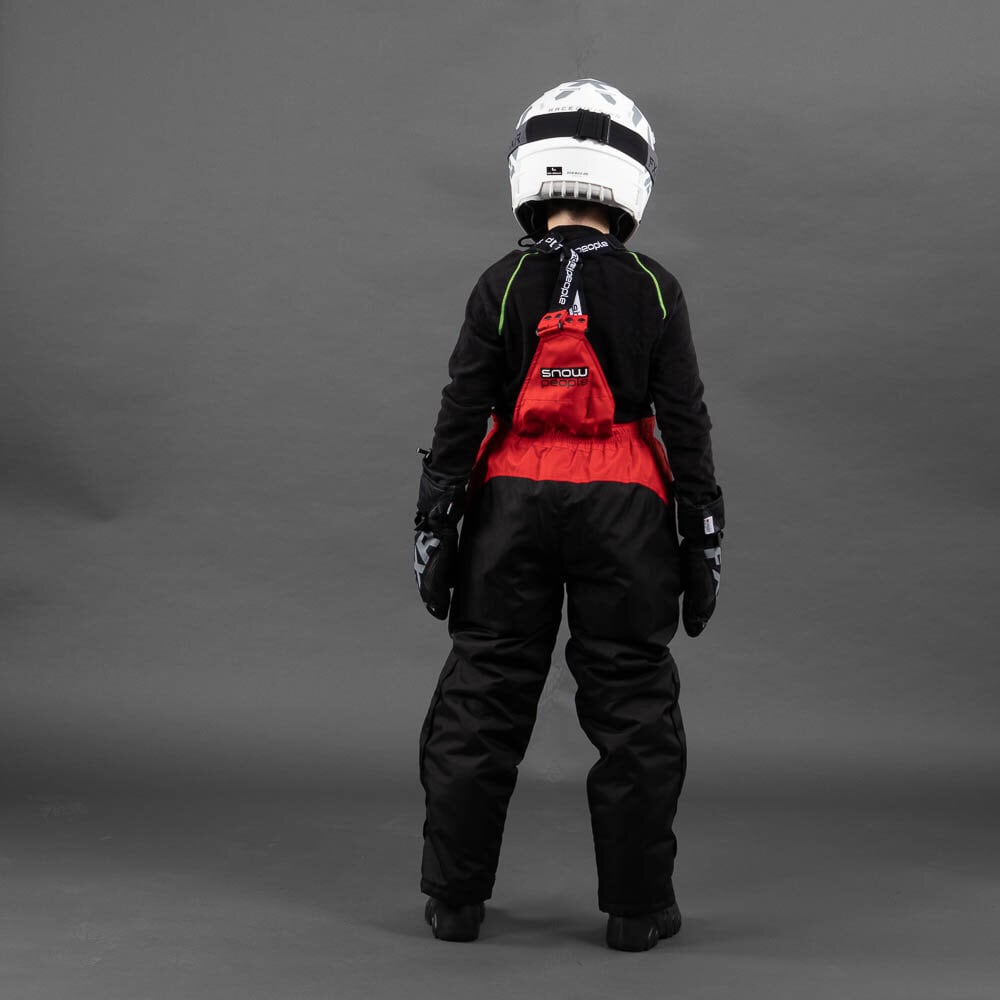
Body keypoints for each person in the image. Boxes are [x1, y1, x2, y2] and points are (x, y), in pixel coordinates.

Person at [413, 79, 724, 952]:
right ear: (632, 176)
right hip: (627, 507)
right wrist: (702, 539)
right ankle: (637, 909)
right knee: (632, 701)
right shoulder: (655, 289)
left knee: (483, 691)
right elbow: (687, 425)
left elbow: (460, 413)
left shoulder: (502, 281)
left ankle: (454, 902)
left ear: (530, 168)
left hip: (510, 501)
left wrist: (435, 525)